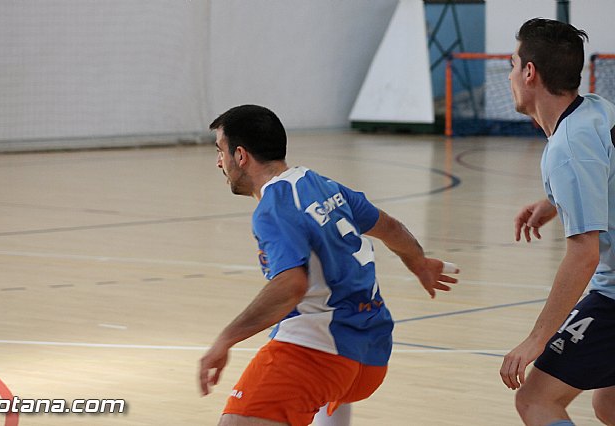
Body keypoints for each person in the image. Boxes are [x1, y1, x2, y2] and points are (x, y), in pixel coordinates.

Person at [198, 104, 459, 426]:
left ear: (241, 155)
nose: (218, 162)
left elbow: (290, 286)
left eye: (220, 151)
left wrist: (226, 339)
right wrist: (418, 262)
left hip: (319, 352)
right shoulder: (320, 184)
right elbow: (389, 227)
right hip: (370, 356)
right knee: (322, 396)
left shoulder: (273, 208)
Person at [500, 18, 615, 426]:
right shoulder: (598, 109)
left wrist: (537, 338)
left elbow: (583, 255)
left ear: (529, 72)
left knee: (536, 401)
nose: (511, 75)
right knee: (609, 405)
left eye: (513, 65)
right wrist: (555, 202)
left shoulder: (567, 148)